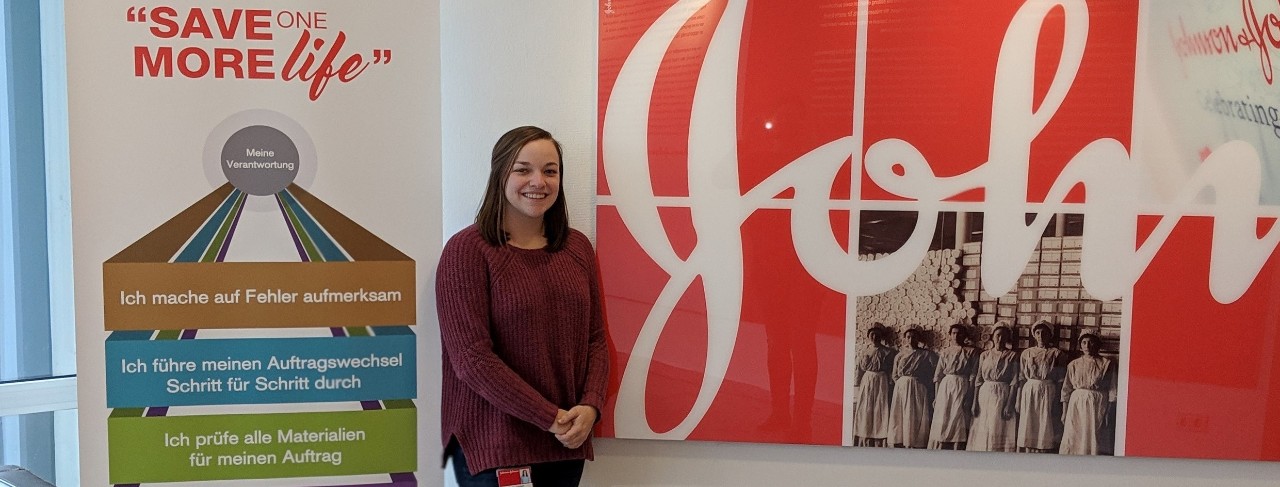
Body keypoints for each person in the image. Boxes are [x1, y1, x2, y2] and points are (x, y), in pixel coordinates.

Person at [436, 126, 610, 487]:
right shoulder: (467, 251)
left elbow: (595, 339)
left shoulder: (576, 248)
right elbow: (471, 360)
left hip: (564, 445)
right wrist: (548, 416)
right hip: (495, 447)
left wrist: (591, 406)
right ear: (500, 173)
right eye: (523, 169)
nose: (539, 181)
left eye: (550, 171)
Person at [1059, 333, 1117, 455]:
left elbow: (1112, 390)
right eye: (1084, 342)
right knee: (1074, 434)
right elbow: (1066, 389)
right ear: (1080, 345)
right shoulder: (1074, 364)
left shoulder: (1106, 363)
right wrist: (1064, 412)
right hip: (1076, 403)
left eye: (1091, 342)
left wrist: (1108, 412)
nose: (1087, 345)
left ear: (1097, 344)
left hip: (1097, 403)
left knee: (1093, 435)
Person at [967, 324, 1019, 452]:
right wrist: (974, 402)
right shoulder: (984, 355)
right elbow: (978, 380)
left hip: (1003, 394)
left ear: (1008, 338)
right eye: (998, 335)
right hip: (985, 394)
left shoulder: (1012, 355)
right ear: (993, 337)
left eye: (1003, 336)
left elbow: (1014, 382)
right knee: (984, 425)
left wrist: (1009, 404)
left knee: (998, 425)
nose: (1000, 339)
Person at [1016, 322, 1065, 453]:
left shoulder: (1056, 353)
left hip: (1048, 390)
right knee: (1028, 421)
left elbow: (1060, 380)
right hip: (1029, 390)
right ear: (1034, 335)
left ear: (1050, 335)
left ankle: (1042, 451)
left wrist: (1058, 400)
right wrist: (1018, 399)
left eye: (1044, 333)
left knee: (1045, 420)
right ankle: (1028, 450)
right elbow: (1021, 378)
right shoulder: (1026, 353)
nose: (1041, 336)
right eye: (1038, 333)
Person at [929, 324, 978, 450]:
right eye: (954, 333)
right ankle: (941, 445)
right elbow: (938, 376)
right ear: (950, 335)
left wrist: (969, 396)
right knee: (944, 416)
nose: (956, 336)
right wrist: (936, 397)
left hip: (962, 384)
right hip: (946, 386)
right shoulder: (945, 352)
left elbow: (973, 376)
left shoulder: (971, 352)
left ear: (965, 336)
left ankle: (957, 448)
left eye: (959, 333)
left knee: (958, 416)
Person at [889, 328, 935, 448]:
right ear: (905, 338)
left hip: (917, 387)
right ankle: (900, 440)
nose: (911, 339)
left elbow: (936, 372)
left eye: (914, 337)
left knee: (915, 413)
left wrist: (925, 381)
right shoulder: (900, 355)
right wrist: (901, 383)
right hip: (901, 387)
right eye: (908, 337)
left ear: (918, 339)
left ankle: (914, 442)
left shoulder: (926, 354)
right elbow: (894, 374)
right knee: (901, 414)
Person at [852, 324, 896, 447]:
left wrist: (891, 385)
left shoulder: (888, 352)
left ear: (881, 336)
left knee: (879, 407)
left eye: (877, 334)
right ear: (868, 336)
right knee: (866, 407)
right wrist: (857, 383)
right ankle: (864, 434)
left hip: (881, 380)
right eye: (872, 334)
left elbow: (891, 370)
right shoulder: (865, 351)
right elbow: (859, 369)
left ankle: (879, 437)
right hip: (867, 380)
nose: (874, 337)